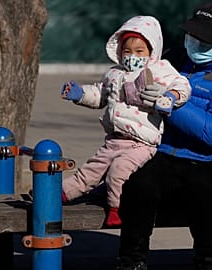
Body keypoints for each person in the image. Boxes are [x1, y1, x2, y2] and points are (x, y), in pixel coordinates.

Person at [116, 2, 212, 270]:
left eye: (204, 39)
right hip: (166, 153)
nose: (195, 42)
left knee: (201, 187)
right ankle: (131, 261)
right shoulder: (173, 59)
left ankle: (209, 260)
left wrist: (168, 105)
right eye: (192, 35)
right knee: (139, 185)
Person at [60, 15, 191, 227]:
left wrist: (171, 97)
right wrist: (80, 93)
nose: (132, 56)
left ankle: (116, 210)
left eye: (140, 51)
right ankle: (59, 195)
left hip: (141, 143)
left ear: (151, 51)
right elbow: (100, 95)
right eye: (127, 51)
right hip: (114, 140)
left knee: (118, 171)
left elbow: (182, 85)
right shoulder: (114, 73)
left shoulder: (158, 69)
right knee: (90, 170)